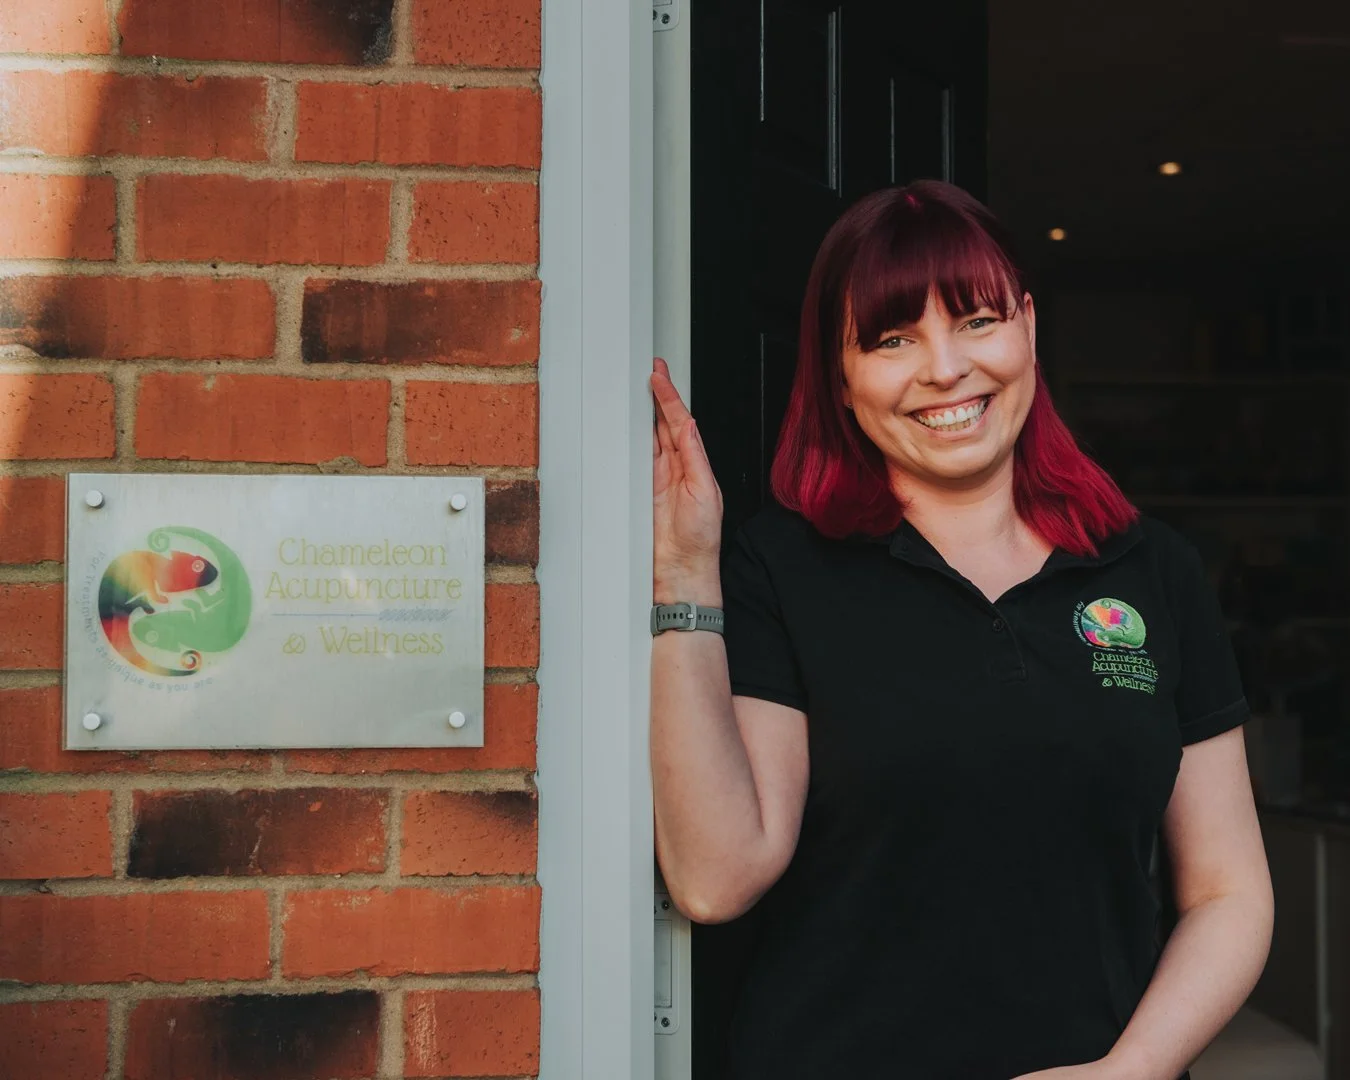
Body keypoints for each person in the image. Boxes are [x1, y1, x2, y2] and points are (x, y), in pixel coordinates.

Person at [649, 181, 1273, 1080]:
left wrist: (1129, 1070)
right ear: (840, 376)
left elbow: (1229, 891)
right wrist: (682, 574)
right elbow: (716, 877)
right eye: (892, 340)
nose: (945, 369)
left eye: (977, 321)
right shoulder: (779, 570)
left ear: (1028, 328)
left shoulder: (1151, 572)